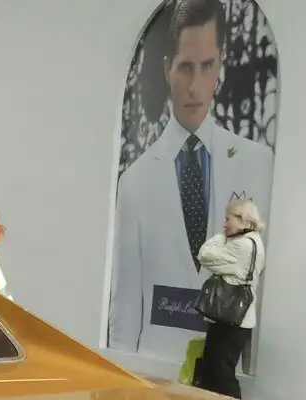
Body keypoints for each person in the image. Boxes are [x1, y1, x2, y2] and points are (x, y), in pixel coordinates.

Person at [109, 0, 274, 363]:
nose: (195, 87)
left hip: (225, 364)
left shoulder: (257, 164)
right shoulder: (135, 180)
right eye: (186, 68)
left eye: (206, 66)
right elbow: (126, 297)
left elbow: (262, 285)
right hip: (155, 362)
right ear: (167, 69)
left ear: (221, 65)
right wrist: (122, 371)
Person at [191, 198, 266, 398]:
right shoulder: (252, 241)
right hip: (231, 316)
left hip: (231, 318)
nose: (224, 224)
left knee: (222, 372)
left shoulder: (242, 245)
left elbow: (204, 255)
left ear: (242, 220)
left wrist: (221, 237)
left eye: (228, 219)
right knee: (213, 368)